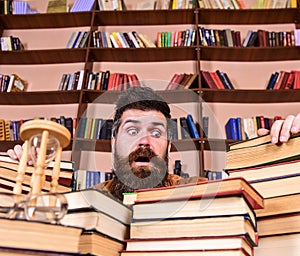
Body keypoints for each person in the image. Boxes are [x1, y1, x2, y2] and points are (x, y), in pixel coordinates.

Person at [6, 87, 300, 201]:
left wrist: (284, 152)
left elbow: (270, 207)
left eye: (156, 133)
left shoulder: (204, 195)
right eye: (132, 131)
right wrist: (24, 175)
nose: (145, 141)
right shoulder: (82, 202)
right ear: (113, 141)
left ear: (170, 146)